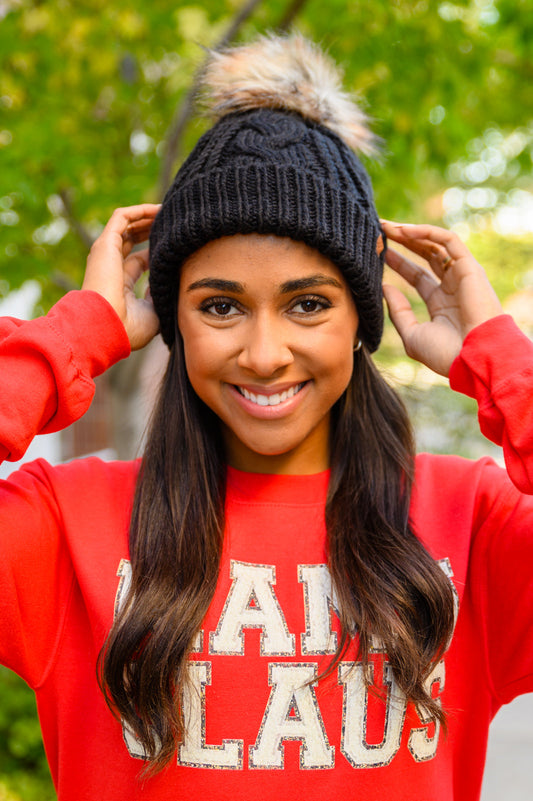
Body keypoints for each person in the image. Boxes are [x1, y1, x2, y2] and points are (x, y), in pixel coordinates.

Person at [1, 33, 532, 801]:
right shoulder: (65, 526)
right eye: (219, 306)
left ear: (362, 317)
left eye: (307, 304)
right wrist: (74, 335)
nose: (263, 352)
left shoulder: (470, 523)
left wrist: (494, 358)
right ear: (172, 321)